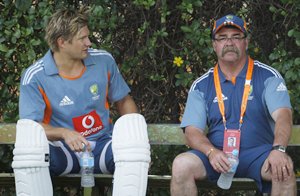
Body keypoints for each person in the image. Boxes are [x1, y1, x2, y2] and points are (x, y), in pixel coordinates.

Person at [12, 6, 150, 195]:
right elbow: (32, 126)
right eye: (82, 38)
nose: (89, 42)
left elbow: (123, 100)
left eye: (88, 36)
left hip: (102, 146)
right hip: (63, 150)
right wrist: (64, 133)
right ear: (62, 42)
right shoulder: (35, 76)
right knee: (31, 151)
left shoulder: (104, 61)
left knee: (134, 149)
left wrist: (134, 132)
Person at [171, 14, 297, 195]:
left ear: (246, 42)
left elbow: (283, 116)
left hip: (258, 155)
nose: (229, 43)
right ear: (214, 45)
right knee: (182, 165)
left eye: (236, 37)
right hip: (217, 155)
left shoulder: (268, 76)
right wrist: (211, 152)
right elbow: (192, 131)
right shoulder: (201, 85)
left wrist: (278, 150)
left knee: (283, 170)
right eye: (222, 38)